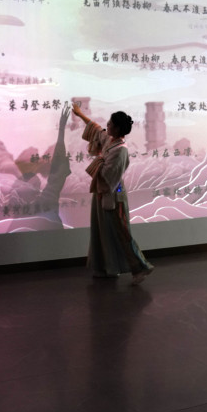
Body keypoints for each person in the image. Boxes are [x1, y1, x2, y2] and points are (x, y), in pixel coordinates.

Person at [71, 102, 154, 284]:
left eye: (110, 124)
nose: (106, 126)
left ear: (117, 128)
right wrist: (80, 114)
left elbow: (109, 175)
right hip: (103, 192)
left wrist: (98, 161)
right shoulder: (111, 141)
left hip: (113, 194)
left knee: (120, 232)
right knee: (102, 231)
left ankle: (140, 268)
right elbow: (96, 129)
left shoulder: (120, 150)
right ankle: (107, 268)